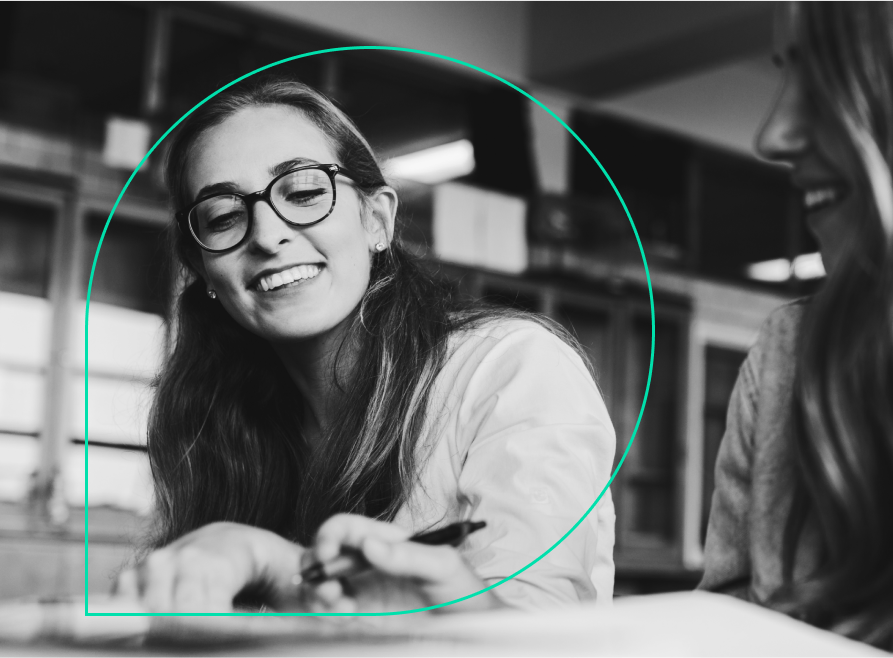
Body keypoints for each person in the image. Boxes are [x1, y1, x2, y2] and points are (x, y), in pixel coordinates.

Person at [126, 79, 617, 614]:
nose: (267, 236)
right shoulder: (221, 424)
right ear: (204, 272)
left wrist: (280, 568)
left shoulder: (512, 368)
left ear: (377, 220)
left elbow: (537, 636)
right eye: (223, 217)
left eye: (305, 192)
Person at [700, 2, 893, 657]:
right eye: (785, 72)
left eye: (827, 75)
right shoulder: (786, 360)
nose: (772, 135)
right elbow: (721, 633)